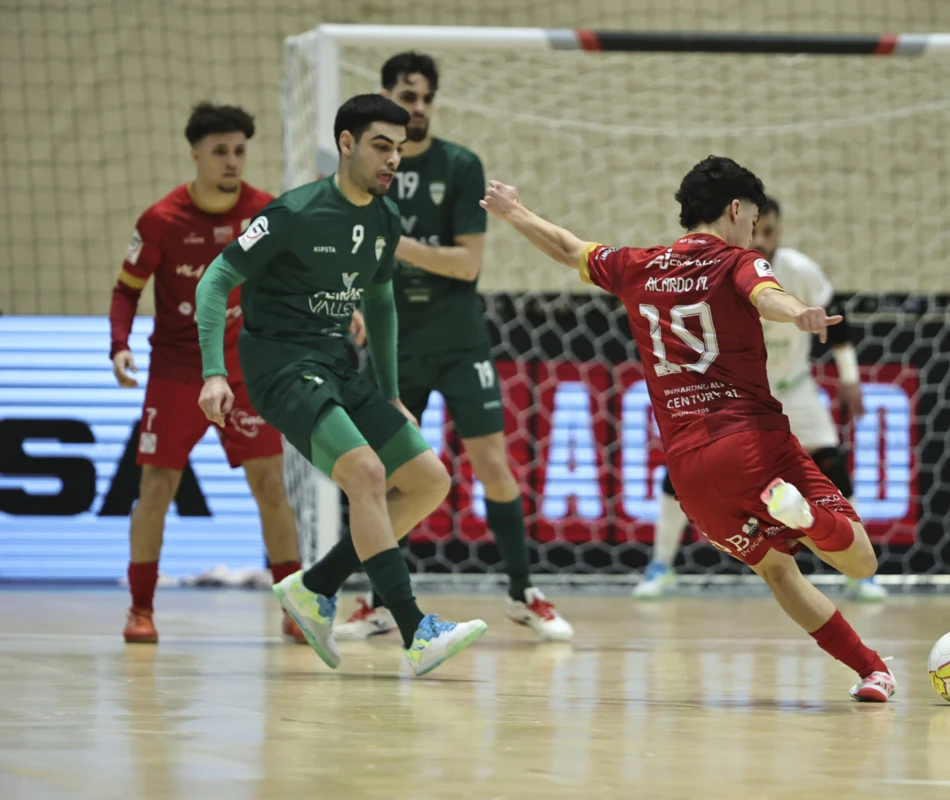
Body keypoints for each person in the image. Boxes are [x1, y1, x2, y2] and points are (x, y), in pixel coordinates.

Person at [482, 156, 896, 701]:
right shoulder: (736, 261)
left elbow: (567, 247)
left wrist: (515, 212)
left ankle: (871, 670)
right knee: (860, 559)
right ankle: (807, 518)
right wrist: (797, 313)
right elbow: (765, 294)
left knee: (778, 572)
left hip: (691, 475)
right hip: (753, 446)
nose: (753, 230)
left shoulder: (639, 265)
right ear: (734, 209)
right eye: (751, 218)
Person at [194, 94, 487, 677]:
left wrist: (391, 389)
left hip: (336, 362)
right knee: (367, 475)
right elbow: (215, 279)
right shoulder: (293, 212)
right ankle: (414, 631)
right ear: (346, 145)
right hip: (280, 364)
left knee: (428, 481)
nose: (393, 160)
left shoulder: (383, 218)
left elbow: (380, 303)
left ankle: (316, 586)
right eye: (381, 146)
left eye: (400, 150)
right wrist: (212, 371)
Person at [335, 51, 573, 642]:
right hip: (396, 340)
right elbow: (351, 250)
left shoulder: (460, 164)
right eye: (405, 96)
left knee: (492, 460)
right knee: (392, 473)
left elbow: (467, 264)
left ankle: (522, 593)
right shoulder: (366, 169)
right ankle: (381, 603)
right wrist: (358, 298)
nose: (415, 108)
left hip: (458, 337)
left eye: (424, 98)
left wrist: (398, 242)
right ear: (386, 97)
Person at [108, 102, 304, 645]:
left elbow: (304, 270)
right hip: (177, 370)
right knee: (156, 486)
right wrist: (118, 344)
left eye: (240, 150)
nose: (232, 161)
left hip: (244, 370)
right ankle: (141, 609)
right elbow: (127, 289)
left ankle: (296, 608)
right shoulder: (160, 221)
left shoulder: (267, 212)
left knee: (270, 485)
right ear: (195, 153)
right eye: (220, 151)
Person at [634, 196, 888, 602]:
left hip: (794, 390)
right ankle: (661, 564)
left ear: (779, 231)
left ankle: (861, 574)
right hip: (736, 401)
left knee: (834, 464)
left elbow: (839, 325)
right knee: (682, 472)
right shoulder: (719, 271)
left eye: (770, 232)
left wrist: (850, 378)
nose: (763, 241)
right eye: (758, 231)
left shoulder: (799, 271)